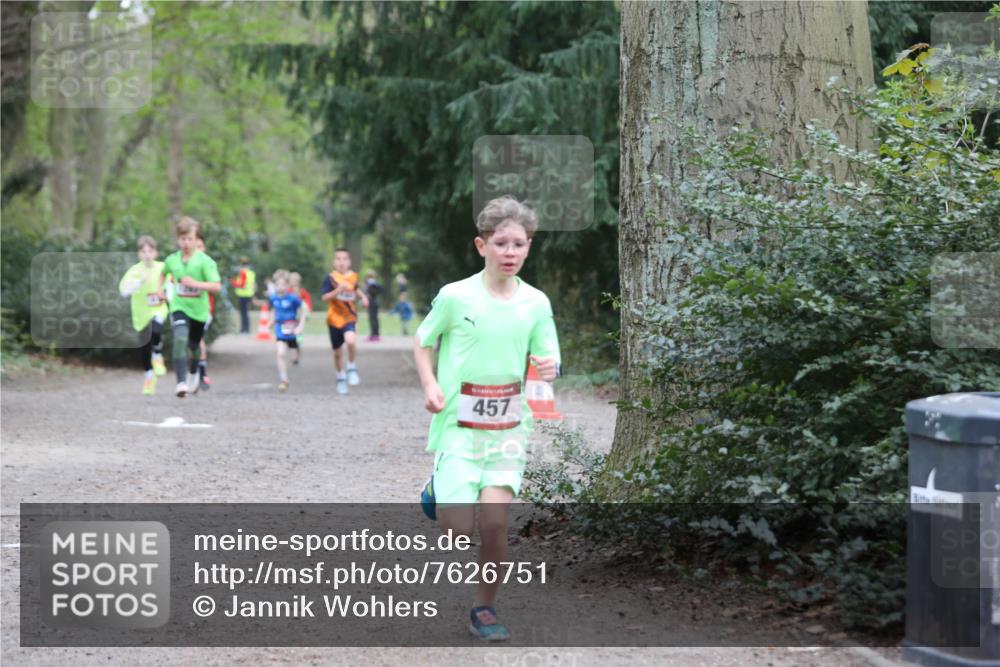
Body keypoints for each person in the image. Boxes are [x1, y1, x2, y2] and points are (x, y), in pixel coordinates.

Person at [413, 195, 560, 641]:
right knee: (459, 532)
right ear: (482, 246)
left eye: (519, 244)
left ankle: (485, 608)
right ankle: (437, 488)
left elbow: (548, 354)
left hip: (509, 430)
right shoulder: (455, 297)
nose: (510, 252)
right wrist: (431, 386)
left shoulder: (536, 303)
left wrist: (551, 367)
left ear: (529, 247)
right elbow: (423, 342)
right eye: (501, 243)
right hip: (458, 428)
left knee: (496, 525)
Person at [160, 216, 222, 398]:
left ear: (196, 240)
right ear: (178, 239)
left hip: (199, 311)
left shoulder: (206, 261)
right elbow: (162, 274)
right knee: (179, 338)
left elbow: (216, 286)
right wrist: (160, 289)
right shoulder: (172, 260)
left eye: (190, 239)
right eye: (182, 239)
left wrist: (196, 284)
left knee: (194, 345)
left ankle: (194, 372)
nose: (186, 243)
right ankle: (181, 382)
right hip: (179, 306)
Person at [118, 236, 168, 395]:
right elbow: (123, 291)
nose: (147, 254)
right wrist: (138, 283)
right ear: (139, 254)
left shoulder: (163, 267)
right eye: (143, 251)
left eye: (150, 251)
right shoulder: (135, 270)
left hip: (158, 309)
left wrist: (169, 295)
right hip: (140, 314)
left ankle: (158, 355)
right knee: (144, 347)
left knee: (156, 330)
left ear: (156, 252)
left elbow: (172, 284)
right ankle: (149, 376)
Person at [321, 249, 369, 395]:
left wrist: (364, 298)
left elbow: (356, 289)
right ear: (333, 262)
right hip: (334, 319)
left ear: (349, 262)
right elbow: (324, 298)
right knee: (337, 353)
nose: (341, 262)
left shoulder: (353, 276)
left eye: (344, 259)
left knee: (351, 341)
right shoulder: (330, 278)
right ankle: (340, 377)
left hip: (349, 317)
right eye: (338, 259)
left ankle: (351, 367)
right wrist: (337, 291)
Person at [269, 271, 307, 392]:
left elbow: (303, 310)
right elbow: (273, 310)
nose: (280, 287)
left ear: (287, 286)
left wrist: (300, 325)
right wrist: (271, 320)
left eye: (282, 284)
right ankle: (284, 380)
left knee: (294, 351)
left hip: (292, 328)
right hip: (280, 329)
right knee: (280, 353)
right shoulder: (273, 298)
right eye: (277, 285)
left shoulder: (293, 298)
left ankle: (297, 352)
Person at [195, 233, 214, 390]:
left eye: (200, 246)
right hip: (184, 310)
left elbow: (215, 286)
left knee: (198, 338)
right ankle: (194, 372)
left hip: (204, 310)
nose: (198, 250)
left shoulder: (208, 265)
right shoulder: (184, 264)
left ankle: (202, 374)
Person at [289, 272, 312, 365]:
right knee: (290, 336)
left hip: (299, 317)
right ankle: (293, 355)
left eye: (294, 280)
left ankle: (297, 354)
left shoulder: (302, 292)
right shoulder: (288, 292)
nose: (293, 282)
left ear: (298, 282)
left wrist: (307, 313)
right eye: (291, 280)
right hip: (289, 317)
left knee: (298, 337)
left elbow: (308, 303)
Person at [230, 256, 256, 333]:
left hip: (243, 295)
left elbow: (241, 284)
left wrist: (233, 282)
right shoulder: (251, 273)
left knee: (243, 313)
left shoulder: (243, 273)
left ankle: (245, 329)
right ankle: (245, 329)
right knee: (245, 313)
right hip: (248, 294)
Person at [364, 270, 383, 342]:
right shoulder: (374, 283)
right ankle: (375, 335)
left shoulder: (371, 284)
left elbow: (372, 292)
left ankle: (374, 335)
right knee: (374, 319)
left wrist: (370, 294)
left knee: (373, 319)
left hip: (372, 303)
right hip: (374, 303)